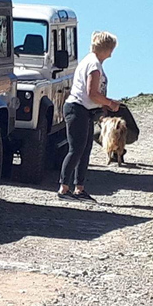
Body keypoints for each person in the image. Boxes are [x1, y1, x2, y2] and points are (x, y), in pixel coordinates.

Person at [58, 30, 120, 202]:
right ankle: (64, 187)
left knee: (84, 150)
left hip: (84, 110)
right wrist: (109, 103)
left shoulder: (91, 62)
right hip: (77, 109)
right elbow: (92, 93)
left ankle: (79, 188)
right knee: (76, 149)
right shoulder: (94, 65)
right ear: (106, 48)